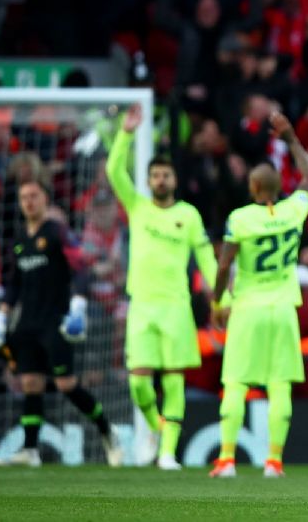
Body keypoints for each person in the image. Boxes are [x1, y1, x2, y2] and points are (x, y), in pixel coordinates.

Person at [107, 104, 219, 470]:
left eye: (165, 175)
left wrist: (221, 296)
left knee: (173, 382)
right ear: (148, 179)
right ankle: (156, 427)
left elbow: (205, 258)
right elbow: (113, 170)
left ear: (174, 180)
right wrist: (125, 133)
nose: (159, 180)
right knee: (140, 385)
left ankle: (168, 453)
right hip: (142, 305)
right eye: (154, 175)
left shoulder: (188, 215)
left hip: (176, 307)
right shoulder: (137, 207)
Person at [207, 112, 308, 478]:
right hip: (285, 308)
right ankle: (274, 460)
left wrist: (216, 301)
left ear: (254, 190)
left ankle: (226, 459)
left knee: (237, 381)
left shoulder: (240, 220)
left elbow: (224, 266)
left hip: (249, 307)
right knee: (279, 383)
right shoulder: (294, 211)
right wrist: (290, 137)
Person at [0, 179, 122, 467]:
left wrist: (77, 303)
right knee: (30, 382)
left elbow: (81, 269)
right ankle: (30, 450)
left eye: (34, 195)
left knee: (66, 384)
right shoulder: (19, 241)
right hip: (27, 323)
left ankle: (106, 430)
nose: (28, 201)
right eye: (24, 196)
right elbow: (13, 284)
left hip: (56, 321)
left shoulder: (58, 232)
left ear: (46, 199)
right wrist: (2, 314)